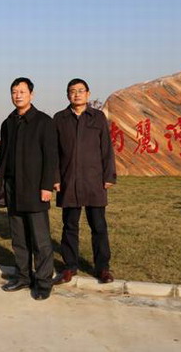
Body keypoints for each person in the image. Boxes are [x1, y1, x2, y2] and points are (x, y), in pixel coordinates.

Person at [0, 78, 59, 301]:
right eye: (14, 91)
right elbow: (3, 157)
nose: (17, 95)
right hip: (13, 188)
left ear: (31, 94)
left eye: (22, 91)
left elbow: (51, 157)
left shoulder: (43, 121)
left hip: (35, 188)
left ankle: (44, 281)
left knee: (40, 239)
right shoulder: (8, 123)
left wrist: (47, 186)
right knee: (18, 237)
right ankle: (23, 277)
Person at [53, 78, 117, 285]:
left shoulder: (97, 117)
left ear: (88, 94)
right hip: (68, 180)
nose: (77, 94)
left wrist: (108, 176)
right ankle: (70, 266)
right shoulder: (60, 118)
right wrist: (55, 178)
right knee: (69, 225)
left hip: (93, 180)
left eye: (81, 90)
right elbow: (54, 152)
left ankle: (102, 268)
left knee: (98, 226)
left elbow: (106, 148)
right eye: (72, 91)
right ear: (67, 95)